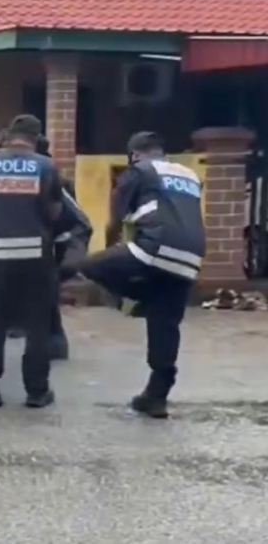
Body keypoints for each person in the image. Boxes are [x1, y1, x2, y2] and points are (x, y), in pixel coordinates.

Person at [77, 131, 205, 419]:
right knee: (166, 325)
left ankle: (135, 302)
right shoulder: (189, 175)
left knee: (88, 267)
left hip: (154, 248)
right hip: (191, 257)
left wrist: (110, 251)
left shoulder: (138, 172)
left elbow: (116, 218)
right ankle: (156, 397)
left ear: (134, 154)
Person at [0, 114, 64, 408]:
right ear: (36, 137)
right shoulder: (46, 167)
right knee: (37, 324)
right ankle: (37, 391)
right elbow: (55, 212)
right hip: (36, 255)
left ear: (8, 135)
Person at [34, 135, 92, 361]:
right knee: (44, 290)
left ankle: (53, 343)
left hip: (66, 239)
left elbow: (65, 215)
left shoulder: (46, 172)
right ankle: (52, 342)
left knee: (45, 289)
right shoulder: (47, 169)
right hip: (63, 238)